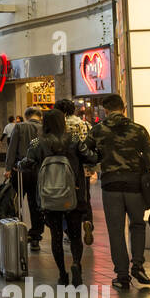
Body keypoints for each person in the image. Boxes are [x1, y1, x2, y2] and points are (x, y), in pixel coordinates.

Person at [20, 108, 98, 286]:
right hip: (74, 193)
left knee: (56, 235)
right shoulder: (75, 139)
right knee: (75, 235)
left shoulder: (37, 142)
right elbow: (91, 158)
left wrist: (19, 163)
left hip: (49, 196)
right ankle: (76, 263)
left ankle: (62, 274)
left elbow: (27, 163)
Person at [89, 93, 150, 290]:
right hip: (135, 186)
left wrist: (100, 161)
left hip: (111, 187)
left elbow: (86, 153)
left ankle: (122, 276)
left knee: (116, 231)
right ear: (123, 108)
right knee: (137, 225)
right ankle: (138, 264)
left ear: (106, 110)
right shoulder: (138, 130)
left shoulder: (98, 130)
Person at [4, 107, 45, 251]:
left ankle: (16, 232)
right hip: (38, 172)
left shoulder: (20, 127)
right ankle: (35, 237)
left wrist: (8, 168)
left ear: (26, 116)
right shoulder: (44, 128)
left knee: (16, 202)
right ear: (39, 116)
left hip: (20, 170)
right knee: (36, 204)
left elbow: (12, 148)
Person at [56, 99, 95, 244]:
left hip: (64, 169)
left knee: (65, 199)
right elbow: (91, 146)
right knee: (84, 197)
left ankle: (70, 231)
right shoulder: (85, 124)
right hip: (83, 169)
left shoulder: (60, 126)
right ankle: (87, 220)